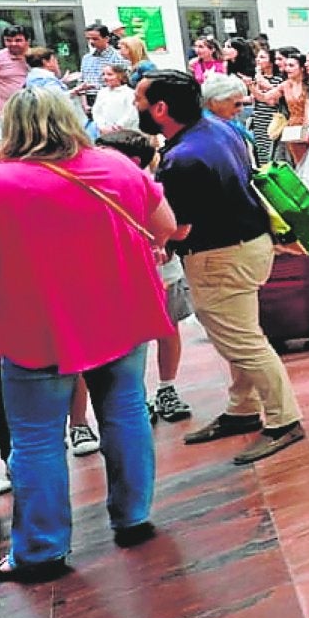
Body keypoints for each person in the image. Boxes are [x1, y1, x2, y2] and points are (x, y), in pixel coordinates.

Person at [0, 90, 178, 580]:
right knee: (124, 412)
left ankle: (41, 552)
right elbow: (166, 228)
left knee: (36, 438)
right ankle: (133, 517)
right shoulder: (117, 166)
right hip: (120, 313)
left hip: (36, 325)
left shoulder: (4, 182)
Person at [129, 72, 305, 465]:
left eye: (139, 100)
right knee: (240, 333)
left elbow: (180, 227)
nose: (135, 106)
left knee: (243, 341)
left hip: (221, 256)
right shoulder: (220, 129)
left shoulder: (181, 159)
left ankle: (284, 420)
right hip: (246, 246)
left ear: (161, 109)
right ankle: (243, 409)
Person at [94, 128, 194, 422]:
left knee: (167, 328)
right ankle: (138, 394)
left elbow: (177, 228)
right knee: (144, 334)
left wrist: (158, 243)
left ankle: (165, 388)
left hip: (159, 268)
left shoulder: (148, 184)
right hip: (148, 267)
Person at [89, 62, 138, 133]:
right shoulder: (102, 92)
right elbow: (96, 110)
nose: (105, 77)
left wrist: (117, 126)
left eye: (109, 74)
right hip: (105, 131)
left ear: (120, 76)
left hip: (125, 132)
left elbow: (131, 113)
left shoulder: (129, 93)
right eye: (103, 74)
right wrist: (101, 126)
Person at [0, 23, 29, 107]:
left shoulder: (37, 56)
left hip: (32, 110)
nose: (13, 44)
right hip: (5, 112)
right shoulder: (0, 57)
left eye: (18, 40)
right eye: (8, 40)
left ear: (27, 41)